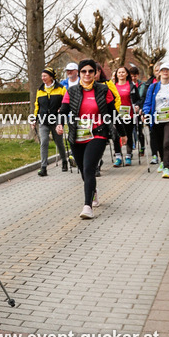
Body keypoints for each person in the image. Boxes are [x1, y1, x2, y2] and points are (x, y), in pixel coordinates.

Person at [57, 58, 118, 219]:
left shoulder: (103, 90)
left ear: (95, 73)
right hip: (77, 135)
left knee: (89, 167)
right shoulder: (72, 91)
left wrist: (122, 134)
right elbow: (63, 110)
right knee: (84, 170)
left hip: (98, 133)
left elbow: (113, 113)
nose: (87, 74)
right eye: (84, 71)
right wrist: (60, 124)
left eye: (91, 71)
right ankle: (93, 191)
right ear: (79, 73)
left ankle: (87, 206)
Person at [141, 61, 169, 179]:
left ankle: (167, 168)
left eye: (167, 70)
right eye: (163, 70)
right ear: (158, 73)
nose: (165, 72)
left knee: (167, 142)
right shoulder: (153, 87)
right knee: (159, 143)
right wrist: (145, 112)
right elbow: (148, 102)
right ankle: (162, 161)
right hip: (156, 119)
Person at [33, 67, 68, 174]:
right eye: (42, 76)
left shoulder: (61, 88)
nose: (42, 78)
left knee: (59, 142)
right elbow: (37, 105)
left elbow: (66, 103)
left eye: (45, 76)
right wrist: (34, 118)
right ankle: (43, 167)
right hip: (43, 120)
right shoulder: (40, 90)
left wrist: (61, 109)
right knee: (44, 142)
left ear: (51, 77)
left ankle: (65, 161)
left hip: (56, 120)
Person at [111, 65, 139, 165]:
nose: (121, 74)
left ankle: (128, 155)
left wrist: (137, 106)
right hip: (116, 114)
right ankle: (118, 156)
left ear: (127, 74)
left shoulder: (131, 86)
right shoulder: (113, 86)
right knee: (115, 134)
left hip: (128, 114)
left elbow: (138, 99)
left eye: (123, 72)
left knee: (128, 134)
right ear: (116, 75)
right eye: (119, 72)